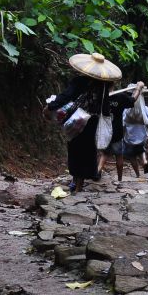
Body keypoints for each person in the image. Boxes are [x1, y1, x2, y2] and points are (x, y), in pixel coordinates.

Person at [46, 53, 122, 193]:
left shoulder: (79, 81)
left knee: (74, 148)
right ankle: (79, 183)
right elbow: (104, 107)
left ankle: (75, 179)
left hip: (76, 119)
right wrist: (106, 121)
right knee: (87, 151)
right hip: (92, 121)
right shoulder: (103, 86)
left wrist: (52, 106)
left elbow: (67, 96)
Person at [105, 83, 148, 181]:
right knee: (142, 152)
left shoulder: (126, 110)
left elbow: (123, 123)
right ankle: (146, 166)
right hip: (142, 136)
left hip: (130, 137)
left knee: (131, 156)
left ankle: (138, 174)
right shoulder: (146, 109)